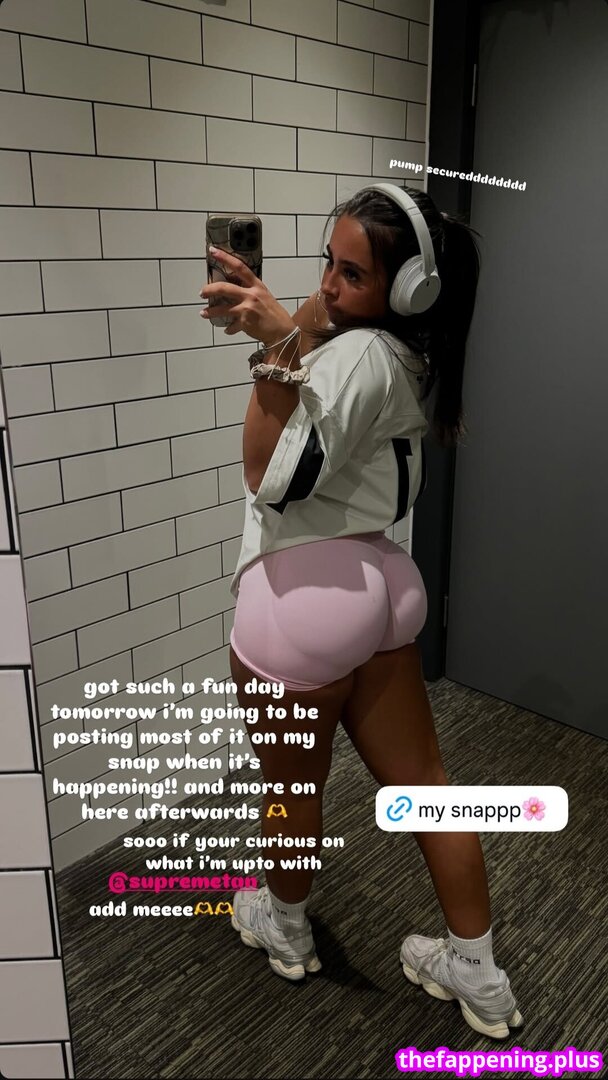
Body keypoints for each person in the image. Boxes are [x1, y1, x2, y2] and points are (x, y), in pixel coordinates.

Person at [199, 184, 524, 1040]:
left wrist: (277, 352)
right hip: (384, 582)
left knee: (291, 789)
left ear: (407, 288)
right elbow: (329, 335)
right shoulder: (413, 348)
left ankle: (284, 925)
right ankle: (479, 972)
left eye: (352, 273)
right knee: (427, 787)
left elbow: (265, 474)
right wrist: (295, 318)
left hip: (303, 601)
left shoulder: (353, 359)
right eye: (329, 263)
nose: (329, 285)